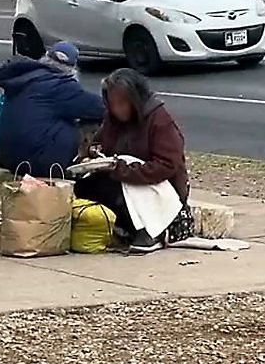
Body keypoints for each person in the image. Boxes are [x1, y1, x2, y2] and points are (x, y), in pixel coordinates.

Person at [74, 67, 194, 251]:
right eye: (112, 104)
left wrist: (121, 169)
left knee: (123, 188)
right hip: (124, 177)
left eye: (122, 103)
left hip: (160, 187)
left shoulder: (159, 120)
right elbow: (100, 143)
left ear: (135, 99)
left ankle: (150, 231)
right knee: (85, 186)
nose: (117, 109)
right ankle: (121, 226)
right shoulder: (113, 120)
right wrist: (92, 152)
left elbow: (166, 166)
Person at [0, 42, 105, 176]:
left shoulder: (27, 78)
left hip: (8, 157)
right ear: (72, 67)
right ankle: (80, 167)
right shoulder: (60, 86)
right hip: (40, 163)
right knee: (93, 121)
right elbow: (100, 108)